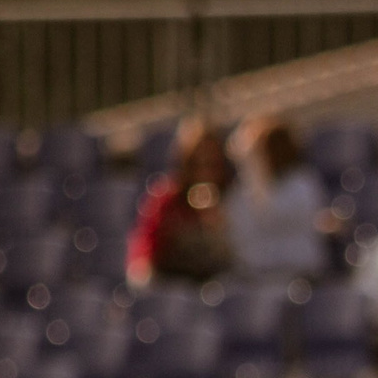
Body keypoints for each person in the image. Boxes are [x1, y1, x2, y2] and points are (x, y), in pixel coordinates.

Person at [127, 120, 237, 286]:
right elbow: (145, 251)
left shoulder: (234, 199)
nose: (204, 172)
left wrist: (216, 224)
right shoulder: (166, 200)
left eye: (212, 164)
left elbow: (240, 258)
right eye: (197, 164)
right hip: (176, 285)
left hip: (217, 286)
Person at [227, 115, 327, 279]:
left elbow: (271, 214)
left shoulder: (302, 184)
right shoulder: (241, 192)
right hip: (255, 278)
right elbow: (239, 237)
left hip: (301, 277)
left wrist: (254, 170)